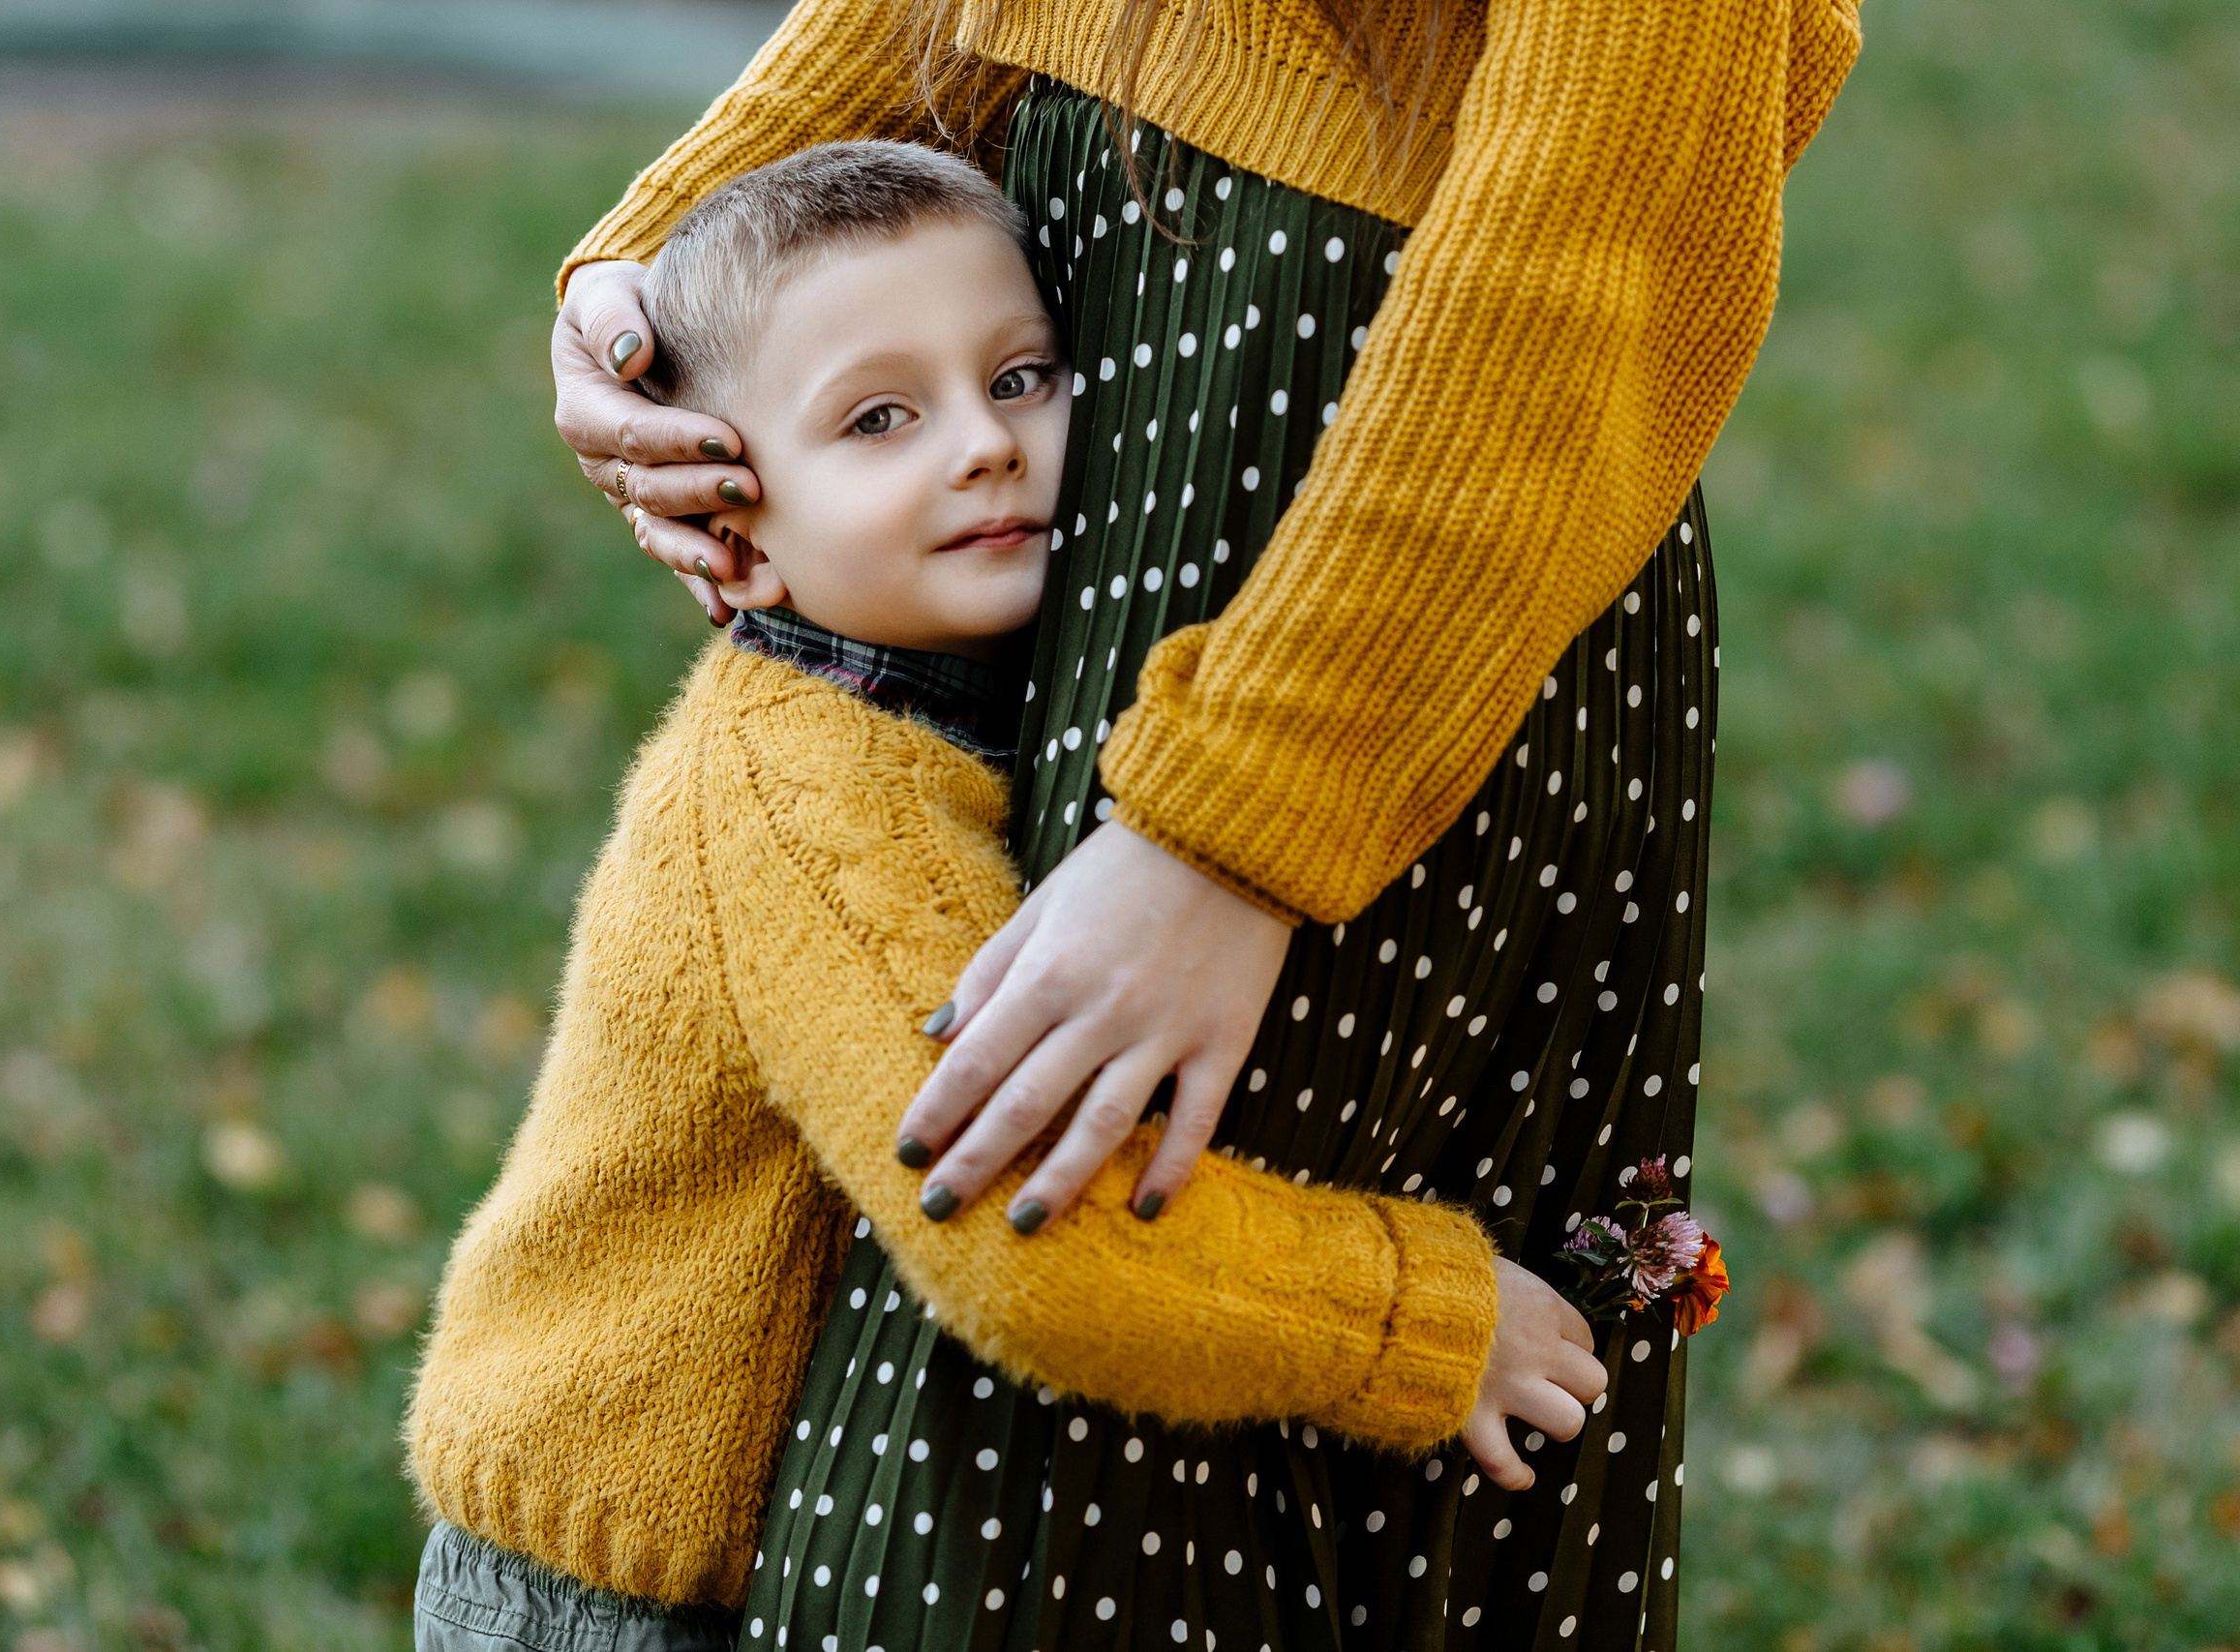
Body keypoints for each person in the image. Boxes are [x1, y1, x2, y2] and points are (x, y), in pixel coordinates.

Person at [552, 1, 1863, 1644]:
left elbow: (1591, 229)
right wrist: (666, 292)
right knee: (1021, 1449)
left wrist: (1239, 825)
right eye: (885, 419)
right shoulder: (825, 746)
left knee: (1153, 1376)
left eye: (996, 391)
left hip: (1389, 563)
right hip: (1143, 466)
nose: (969, 444)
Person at [404, 140, 1599, 1652]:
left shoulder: (933, 697)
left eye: (1023, 376)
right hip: (608, 1598)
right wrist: (1425, 1321)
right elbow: (1030, 1233)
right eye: (880, 417)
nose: (984, 445)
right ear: (727, 517)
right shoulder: (812, 793)